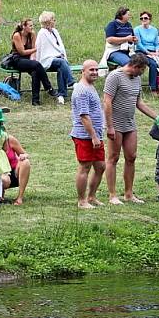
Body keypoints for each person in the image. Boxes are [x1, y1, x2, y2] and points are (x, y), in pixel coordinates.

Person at [103, 53, 157, 205]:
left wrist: (157, 117)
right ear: (135, 66)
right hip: (116, 123)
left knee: (131, 157)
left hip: (130, 123)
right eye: (142, 70)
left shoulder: (137, 79)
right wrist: (110, 126)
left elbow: (139, 103)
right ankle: (112, 195)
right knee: (113, 158)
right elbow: (107, 102)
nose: (143, 73)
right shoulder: (115, 77)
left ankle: (128, 194)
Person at [71, 60, 106, 209]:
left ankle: (91, 196)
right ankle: (82, 200)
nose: (95, 72)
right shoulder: (81, 90)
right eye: (91, 70)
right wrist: (93, 136)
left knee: (100, 166)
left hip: (96, 135)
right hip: (85, 136)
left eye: (97, 70)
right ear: (83, 72)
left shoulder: (90, 87)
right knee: (85, 167)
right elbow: (84, 116)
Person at [9, 18, 56, 106]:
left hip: (28, 60)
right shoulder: (17, 35)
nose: (32, 27)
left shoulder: (32, 34)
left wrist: (32, 58)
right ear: (24, 27)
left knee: (35, 72)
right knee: (37, 65)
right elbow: (22, 52)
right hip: (18, 60)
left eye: (32, 25)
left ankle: (35, 100)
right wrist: (35, 50)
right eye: (30, 25)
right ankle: (48, 87)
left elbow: (33, 51)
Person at [36, 11, 75, 104]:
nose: (55, 21)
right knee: (61, 62)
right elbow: (40, 49)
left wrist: (61, 56)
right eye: (53, 19)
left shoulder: (54, 31)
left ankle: (61, 94)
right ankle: (72, 82)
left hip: (58, 59)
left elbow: (59, 46)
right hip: (47, 59)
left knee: (61, 67)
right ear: (48, 22)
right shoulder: (42, 33)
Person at [135, 11, 159, 93]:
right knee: (153, 64)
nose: (143, 19)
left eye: (145, 18)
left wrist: (157, 51)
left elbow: (156, 43)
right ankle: (153, 88)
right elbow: (138, 44)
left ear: (150, 19)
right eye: (141, 18)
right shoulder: (137, 29)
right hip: (142, 51)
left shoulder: (154, 30)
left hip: (154, 51)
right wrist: (148, 53)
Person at [1, 134, 31, 206]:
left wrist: (23, 156)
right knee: (4, 180)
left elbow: (24, 154)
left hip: (13, 172)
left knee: (25, 162)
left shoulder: (10, 139)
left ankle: (19, 198)